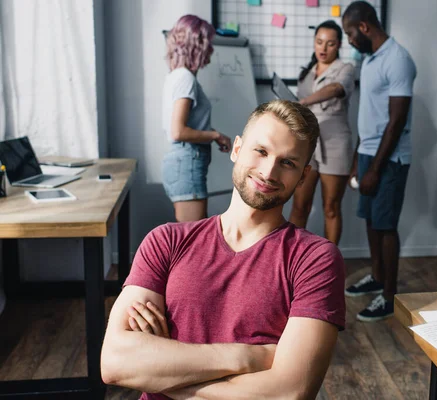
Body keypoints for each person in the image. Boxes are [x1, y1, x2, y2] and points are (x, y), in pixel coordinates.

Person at [101, 100, 346, 400]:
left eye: (288, 163)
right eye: (261, 151)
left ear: (304, 176)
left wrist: (165, 376)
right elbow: (115, 363)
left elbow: (289, 392)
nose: (269, 172)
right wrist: (244, 357)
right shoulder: (166, 241)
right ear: (237, 149)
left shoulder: (315, 259)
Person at [341, 1, 416, 322]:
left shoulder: (398, 60)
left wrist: (375, 169)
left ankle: (389, 296)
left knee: (386, 225)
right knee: (371, 221)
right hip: (369, 152)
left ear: (364, 27)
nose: (348, 41)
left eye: (349, 34)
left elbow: (396, 121)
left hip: (391, 157)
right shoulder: (370, 60)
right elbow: (369, 116)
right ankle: (376, 276)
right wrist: (360, 160)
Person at [289, 20, 356, 245]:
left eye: (329, 44)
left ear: (338, 45)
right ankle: (290, 260)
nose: (323, 49)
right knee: (300, 204)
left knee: (331, 207)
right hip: (308, 144)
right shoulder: (306, 73)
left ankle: (330, 264)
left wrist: (305, 101)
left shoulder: (346, 69)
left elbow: (336, 89)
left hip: (335, 143)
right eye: (319, 42)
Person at [162, 15, 232, 222]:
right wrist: (215, 135)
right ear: (198, 45)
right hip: (187, 161)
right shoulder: (185, 78)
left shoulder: (176, 75)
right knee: (193, 240)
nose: (211, 49)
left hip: (184, 162)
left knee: (196, 237)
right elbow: (179, 131)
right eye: (208, 43)